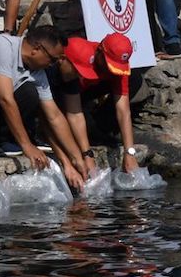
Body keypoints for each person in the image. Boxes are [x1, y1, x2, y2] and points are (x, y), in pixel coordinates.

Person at [0, 26, 87, 191]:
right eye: (52, 59)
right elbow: (6, 99)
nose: (53, 65)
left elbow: (54, 116)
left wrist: (76, 159)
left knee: (29, 92)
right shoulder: (2, 47)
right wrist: (27, 146)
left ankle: (3, 138)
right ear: (37, 49)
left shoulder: (38, 71)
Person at [51, 33, 142, 174]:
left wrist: (129, 152)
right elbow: (73, 111)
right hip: (68, 94)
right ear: (99, 51)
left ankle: (100, 126)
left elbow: (123, 110)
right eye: (108, 64)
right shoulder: (79, 56)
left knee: (135, 79)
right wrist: (85, 154)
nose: (110, 70)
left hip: (82, 93)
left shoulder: (118, 69)